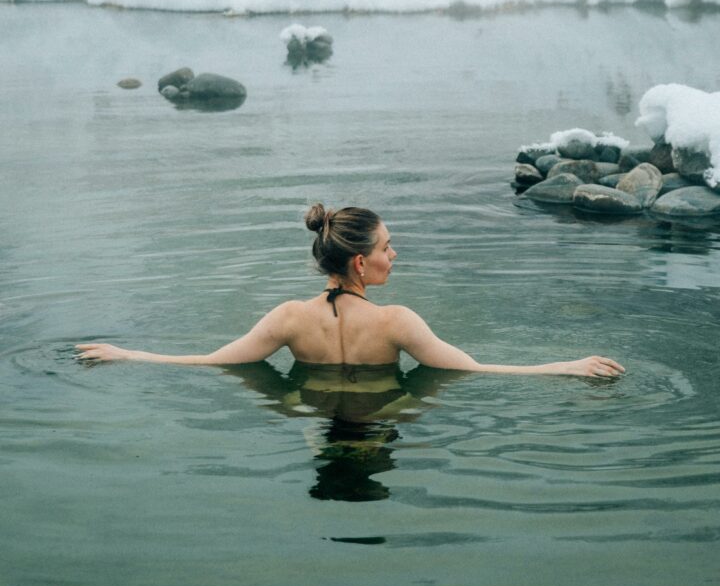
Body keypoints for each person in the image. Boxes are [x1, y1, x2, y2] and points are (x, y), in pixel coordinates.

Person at [75, 203, 625, 378]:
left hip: (312, 416)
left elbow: (214, 361)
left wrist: (130, 354)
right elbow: (474, 371)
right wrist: (567, 366)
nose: (395, 254)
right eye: (388, 247)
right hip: (381, 418)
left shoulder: (290, 318)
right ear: (361, 263)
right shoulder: (397, 323)